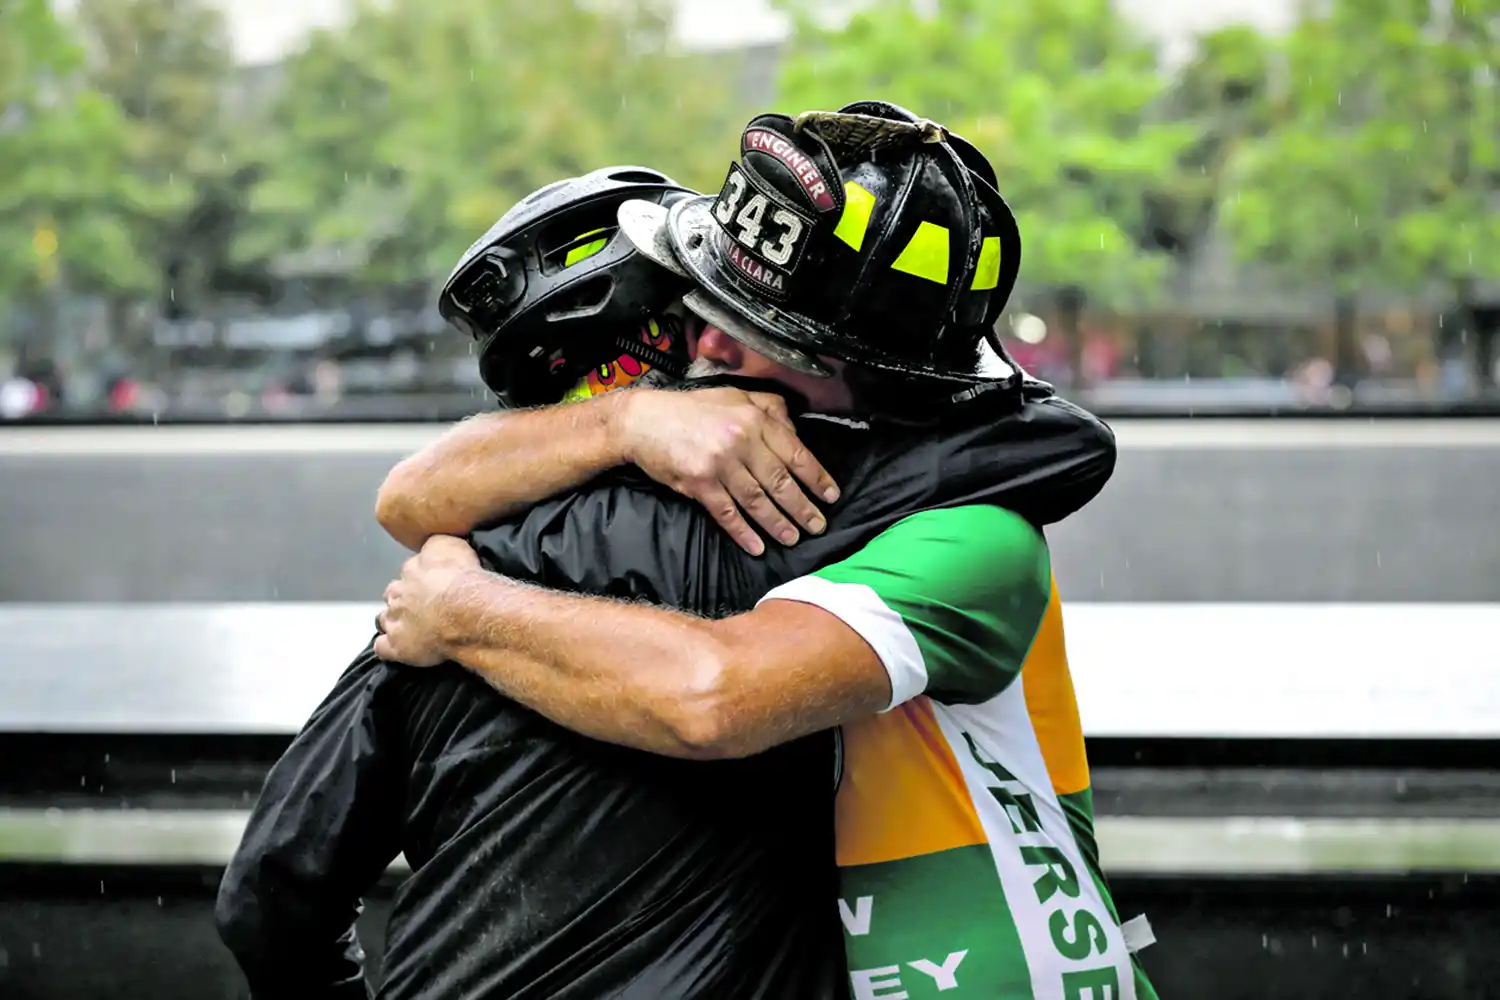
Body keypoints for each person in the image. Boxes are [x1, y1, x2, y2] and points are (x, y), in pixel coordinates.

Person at [216, 161, 1115, 999]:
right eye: (699, 307)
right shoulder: (824, 521)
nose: (714, 343)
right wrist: (633, 421)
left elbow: (268, 901)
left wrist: (460, 609)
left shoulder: (442, 583)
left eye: (754, 329)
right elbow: (1059, 442)